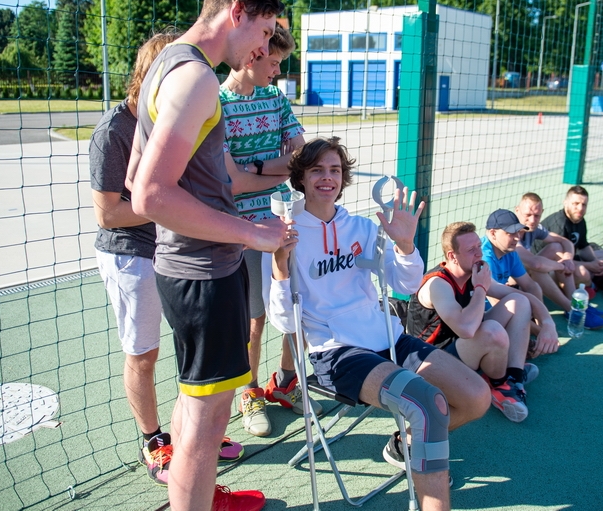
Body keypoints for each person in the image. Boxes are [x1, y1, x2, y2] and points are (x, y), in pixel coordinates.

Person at [131, 0, 287, 511]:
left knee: (194, 403)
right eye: (265, 33)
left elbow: (137, 178)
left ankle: (198, 497)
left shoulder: (165, 65)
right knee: (206, 421)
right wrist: (250, 232)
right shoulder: (196, 76)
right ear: (237, 11)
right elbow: (148, 195)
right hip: (203, 272)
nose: (264, 48)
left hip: (183, 266)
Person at [269, 137, 489, 511]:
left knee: (477, 397)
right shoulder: (284, 234)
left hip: (387, 337)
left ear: (344, 177)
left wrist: (405, 245)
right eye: (317, 170)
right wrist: (278, 265)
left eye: (335, 170)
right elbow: (284, 320)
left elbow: (404, 285)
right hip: (336, 353)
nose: (328, 178)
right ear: (300, 178)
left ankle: (405, 445)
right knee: (426, 404)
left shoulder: (360, 227)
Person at [91, 31, 246, 486]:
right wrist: (171, 208)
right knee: (144, 353)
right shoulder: (114, 131)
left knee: (189, 356)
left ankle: (193, 440)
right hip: (133, 255)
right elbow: (109, 212)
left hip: (177, 254)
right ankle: (154, 440)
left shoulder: (178, 117)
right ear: (153, 75)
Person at [219, 25, 318, 437]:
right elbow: (232, 183)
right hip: (243, 230)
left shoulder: (275, 99)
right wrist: (270, 169)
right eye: (274, 62)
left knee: (298, 309)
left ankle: (286, 381)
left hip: (287, 223)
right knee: (253, 321)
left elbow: (299, 156)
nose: (278, 72)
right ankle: (250, 391)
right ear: (252, 55)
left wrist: (254, 168)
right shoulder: (218, 103)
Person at [407, 221, 537, 423]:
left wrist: (547, 324)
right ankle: (500, 386)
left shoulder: (471, 272)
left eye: (478, 246)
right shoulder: (438, 284)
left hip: (456, 349)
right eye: (471, 250)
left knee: (518, 301)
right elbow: (467, 329)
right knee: (492, 331)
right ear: (452, 256)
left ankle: (513, 377)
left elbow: (521, 298)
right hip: (428, 364)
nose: (479, 253)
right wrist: (480, 289)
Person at [514, 193, 603, 326]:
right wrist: (561, 266)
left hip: (524, 277)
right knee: (537, 270)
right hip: (508, 285)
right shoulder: (511, 233)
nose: (532, 220)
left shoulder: (533, 227)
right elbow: (535, 263)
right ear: (517, 210)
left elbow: (566, 242)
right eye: (528, 215)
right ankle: (571, 309)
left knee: (556, 247)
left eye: (537, 216)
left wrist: (568, 259)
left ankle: (576, 307)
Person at [480, 209, 567, 347]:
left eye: (518, 232)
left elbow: (530, 285)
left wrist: (542, 322)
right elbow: (498, 303)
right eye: (511, 233)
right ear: (493, 233)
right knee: (516, 306)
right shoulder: (484, 258)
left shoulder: (509, 251)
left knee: (534, 287)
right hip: (479, 317)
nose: (517, 238)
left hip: (497, 311)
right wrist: (540, 332)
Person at [537, 186, 603, 288]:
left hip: (570, 259)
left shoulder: (580, 220)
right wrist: (590, 266)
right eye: (576, 204)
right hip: (549, 268)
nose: (580, 208)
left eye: (584, 205)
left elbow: (583, 246)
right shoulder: (560, 223)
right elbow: (560, 261)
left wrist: (596, 262)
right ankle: (588, 283)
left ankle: (588, 280)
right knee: (583, 273)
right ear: (565, 203)